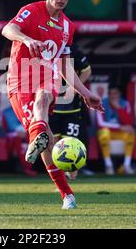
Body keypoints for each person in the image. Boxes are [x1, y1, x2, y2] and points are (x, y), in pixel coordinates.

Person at [1, 0, 104, 209]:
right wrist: (26, 40)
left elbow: (66, 66)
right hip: (20, 80)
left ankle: (37, 135)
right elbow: (7, 29)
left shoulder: (68, 27)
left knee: (45, 97)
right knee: (47, 143)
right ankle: (67, 193)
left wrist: (86, 94)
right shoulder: (31, 10)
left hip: (47, 77)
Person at [49, 45, 95, 178]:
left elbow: (86, 71)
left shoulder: (72, 50)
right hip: (51, 108)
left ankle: (72, 179)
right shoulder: (46, 48)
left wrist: (74, 87)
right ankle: (61, 182)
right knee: (54, 145)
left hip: (72, 109)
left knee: (71, 144)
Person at [96, 84, 136, 176]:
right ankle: (108, 165)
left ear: (120, 94)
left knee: (131, 132)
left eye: (115, 93)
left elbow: (128, 123)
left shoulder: (125, 103)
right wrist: (119, 127)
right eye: (110, 93)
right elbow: (100, 123)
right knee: (104, 133)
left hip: (120, 133)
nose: (113, 96)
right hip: (108, 131)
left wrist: (118, 108)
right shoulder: (101, 103)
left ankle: (126, 165)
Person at [1, 105, 37, 176]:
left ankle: (27, 166)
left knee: (28, 139)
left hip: (26, 134)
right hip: (12, 135)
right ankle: (27, 168)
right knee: (18, 140)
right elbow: (4, 129)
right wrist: (16, 133)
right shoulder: (6, 112)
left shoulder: (25, 109)